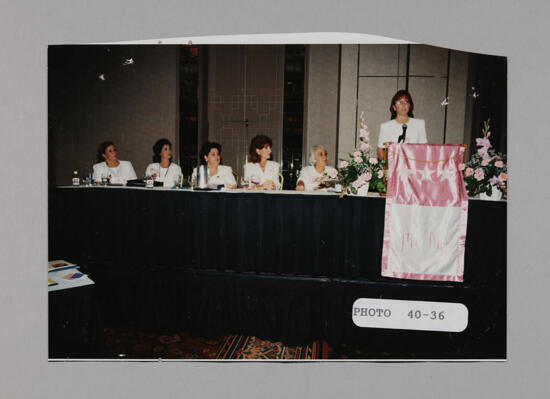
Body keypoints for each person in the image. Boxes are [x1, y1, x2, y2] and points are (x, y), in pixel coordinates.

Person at [377, 89, 428, 160]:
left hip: (413, 168)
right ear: (394, 107)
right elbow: (380, 152)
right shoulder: (385, 127)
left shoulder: (419, 124)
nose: (403, 105)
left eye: (406, 102)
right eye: (399, 102)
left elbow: (424, 150)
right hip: (394, 168)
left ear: (410, 105)